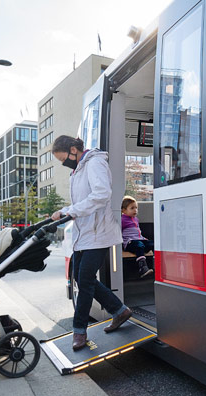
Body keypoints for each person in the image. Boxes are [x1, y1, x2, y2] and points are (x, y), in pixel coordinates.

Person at [50, 135, 132, 351]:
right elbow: (80, 202)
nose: (63, 163)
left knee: (84, 280)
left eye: (63, 158)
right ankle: (119, 310)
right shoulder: (76, 170)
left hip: (99, 233)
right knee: (80, 277)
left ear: (74, 149)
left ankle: (79, 330)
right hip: (83, 234)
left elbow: (101, 194)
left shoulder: (95, 163)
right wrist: (66, 211)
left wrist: (70, 211)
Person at [121, 196, 154, 278]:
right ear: (123, 210)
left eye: (136, 208)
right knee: (139, 246)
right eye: (132, 208)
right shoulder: (122, 219)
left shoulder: (136, 219)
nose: (135, 210)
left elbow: (137, 232)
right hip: (130, 242)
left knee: (152, 244)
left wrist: (143, 238)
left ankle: (156, 264)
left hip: (139, 239)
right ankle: (143, 268)